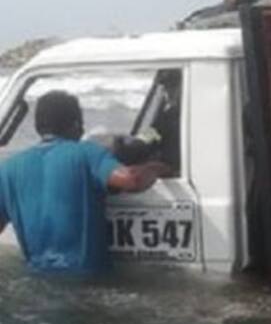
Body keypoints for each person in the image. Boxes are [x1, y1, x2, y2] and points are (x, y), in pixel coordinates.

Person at [0, 90, 170, 274]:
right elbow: (133, 180)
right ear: (76, 124)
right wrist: (157, 167)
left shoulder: (8, 169)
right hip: (87, 279)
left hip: (37, 278)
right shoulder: (87, 153)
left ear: (38, 126)